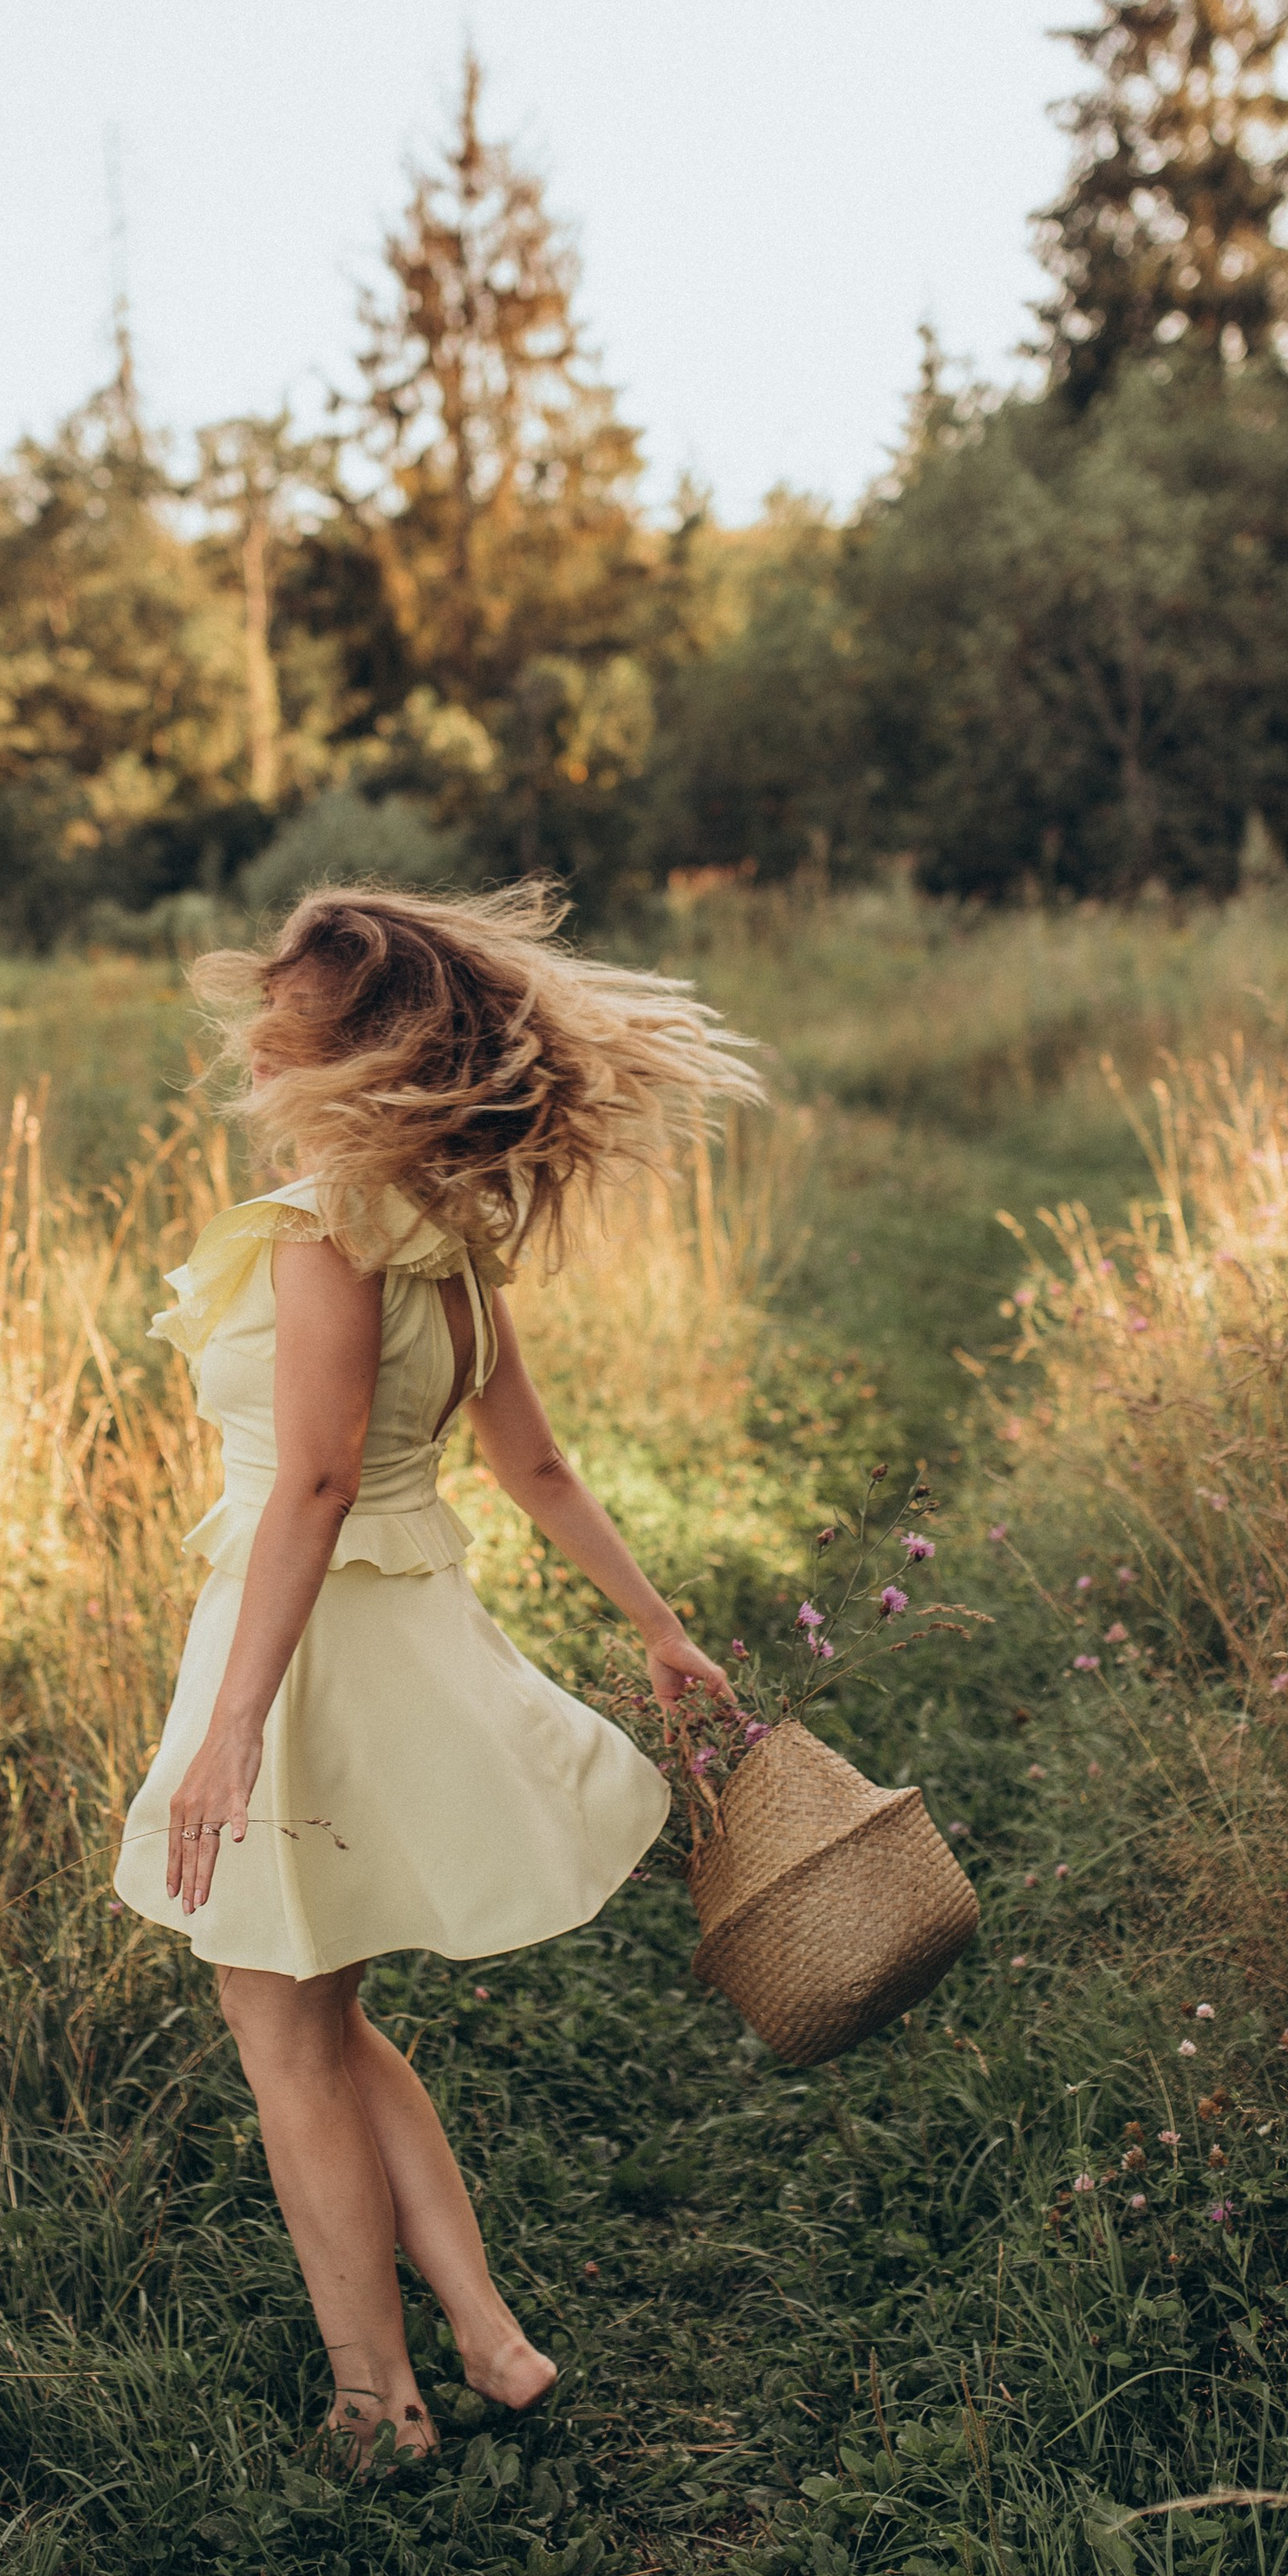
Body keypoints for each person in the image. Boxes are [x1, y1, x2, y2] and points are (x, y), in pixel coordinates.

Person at [113, 883, 760, 2461]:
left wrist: (230, 1741)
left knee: (280, 2030)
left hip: (310, 1648)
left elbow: (316, 1489)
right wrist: (660, 1628)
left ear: (333, 1043)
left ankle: (374, 2396)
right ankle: (490, 2339)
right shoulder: (448, 1240)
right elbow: (533, 1467)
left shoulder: (327, 1235)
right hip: (376, 1629)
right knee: (316, 2016)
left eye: (279, 1005)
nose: (251, 1028)